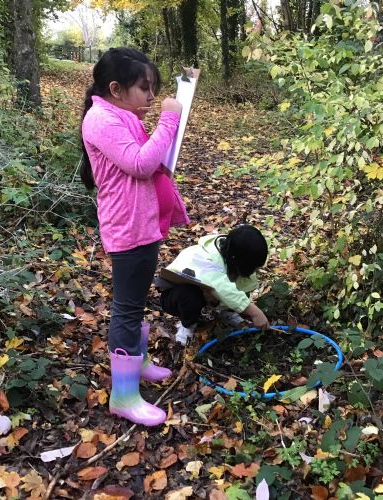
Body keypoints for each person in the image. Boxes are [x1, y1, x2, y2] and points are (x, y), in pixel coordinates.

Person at [80, 48, 189, 426]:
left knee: (136, 300)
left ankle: (137, 364)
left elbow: (148, 158)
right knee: (127, 309)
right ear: (116, 89)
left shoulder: (121, 116)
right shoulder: (100, 120)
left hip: (143, 225)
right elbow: (140, 164)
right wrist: (170, 119)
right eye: (144, 88)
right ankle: (123, 396)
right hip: (127, 228)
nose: (151, 97)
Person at [157, 225, 270, 344]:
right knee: (189, 295)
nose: (254, 271)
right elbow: (221, 287)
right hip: (174, 294)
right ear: (236, 259)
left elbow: (235, 288)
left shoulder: (233, 258)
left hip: (207, 292)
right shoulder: (207, 259)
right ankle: (187, 325)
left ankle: (228, 312)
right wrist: (255, 312)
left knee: (241, 283)